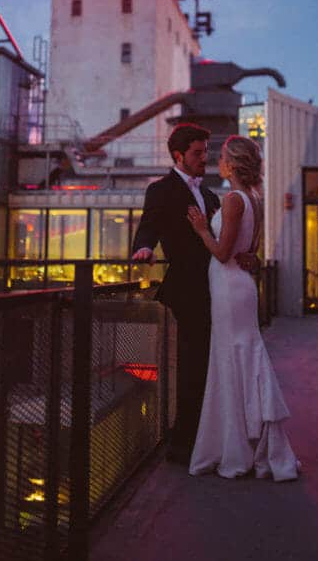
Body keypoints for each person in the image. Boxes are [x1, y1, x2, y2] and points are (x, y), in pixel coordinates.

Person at [132, 124, 259, 464]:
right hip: (189, 290)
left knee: (210, 363)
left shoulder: (214, 196)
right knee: (193, 364)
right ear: (178, 156)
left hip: (218, 288)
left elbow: (225, 241)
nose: (205, 158)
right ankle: (184, 440)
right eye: (198, 153)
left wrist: (246, 254)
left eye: (206, 152)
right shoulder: (160, 190)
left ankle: (206, 436)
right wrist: (143, 248)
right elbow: (148, 225)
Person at [187, 135, 300, 481]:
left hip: (229, 290)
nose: (216, 161)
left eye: (221, 156)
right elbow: (249, 252)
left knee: (231, 359)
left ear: (232, 164)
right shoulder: (254, 198)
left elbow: (222, 253)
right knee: (242, 356)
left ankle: (238, 448)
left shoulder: (235, 199)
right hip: (239, 287)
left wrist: (203, 229)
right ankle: (250, 441)